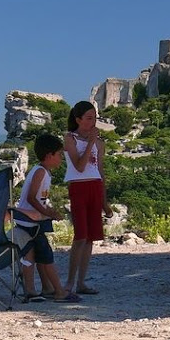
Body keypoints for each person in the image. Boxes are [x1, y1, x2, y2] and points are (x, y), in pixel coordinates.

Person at [12, 133, 81, 303]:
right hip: (30, 222)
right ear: (49, 155)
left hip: (32, 221)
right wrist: (48, 213)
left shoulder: (44, 172)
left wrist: (50, 211)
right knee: (47, 256)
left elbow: (40, 199)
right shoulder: (41, 172)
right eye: (59, 155)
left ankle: (47, 287)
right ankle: (59, 291)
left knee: (41, 255)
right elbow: (31, 198)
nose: (61, 159)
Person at [64, 101, 113, 295]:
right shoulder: (70, 139)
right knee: (80, 236)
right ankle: (69, 282)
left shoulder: (100, 143)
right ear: (78, 120)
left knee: (91, 237)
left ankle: (81, 282)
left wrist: (105, 202)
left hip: (95, 187)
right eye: (89, 118)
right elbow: (79, 166)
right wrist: (91, 142)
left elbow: (100, 171)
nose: (93, 122)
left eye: (95, 118)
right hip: (78, 187)